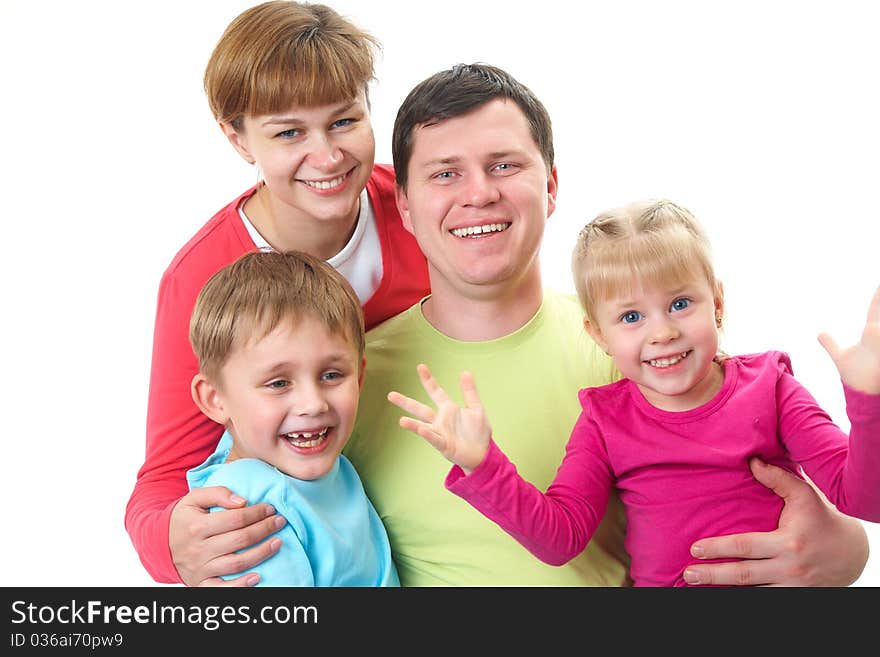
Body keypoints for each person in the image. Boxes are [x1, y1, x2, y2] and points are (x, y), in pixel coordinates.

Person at [167, 62, 870, 586]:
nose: (479, 193)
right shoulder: (345, 380)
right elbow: (222, 495)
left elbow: (779, 486)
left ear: (552, 185)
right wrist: (178, 541)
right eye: (444, 174)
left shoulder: (632, 348)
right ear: (404, 207)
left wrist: (848, 550)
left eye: (504, 165)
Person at [388, 198, 880, 586]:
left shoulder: (772, 387)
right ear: (599, 335)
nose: (661, 332)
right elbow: (560, 538)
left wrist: (868, 401)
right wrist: (484, 466)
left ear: (719, 302)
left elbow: (865, 499)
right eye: (631, 317)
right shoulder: (604, 420)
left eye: (680, 303)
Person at [125, 1, 429, 585]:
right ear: (238, 139)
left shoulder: (419, 209)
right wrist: (173, 547)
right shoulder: (201, 276)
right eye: (289, 132)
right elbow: (166, 473)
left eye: (344, 121)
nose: (328, 156)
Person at [186, 250, 399, 586]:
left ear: (358, 379)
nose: (313, 404)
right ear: (215, 399)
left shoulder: (302, 463)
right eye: (279, 383)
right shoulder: (246, 508)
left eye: (331, 375)